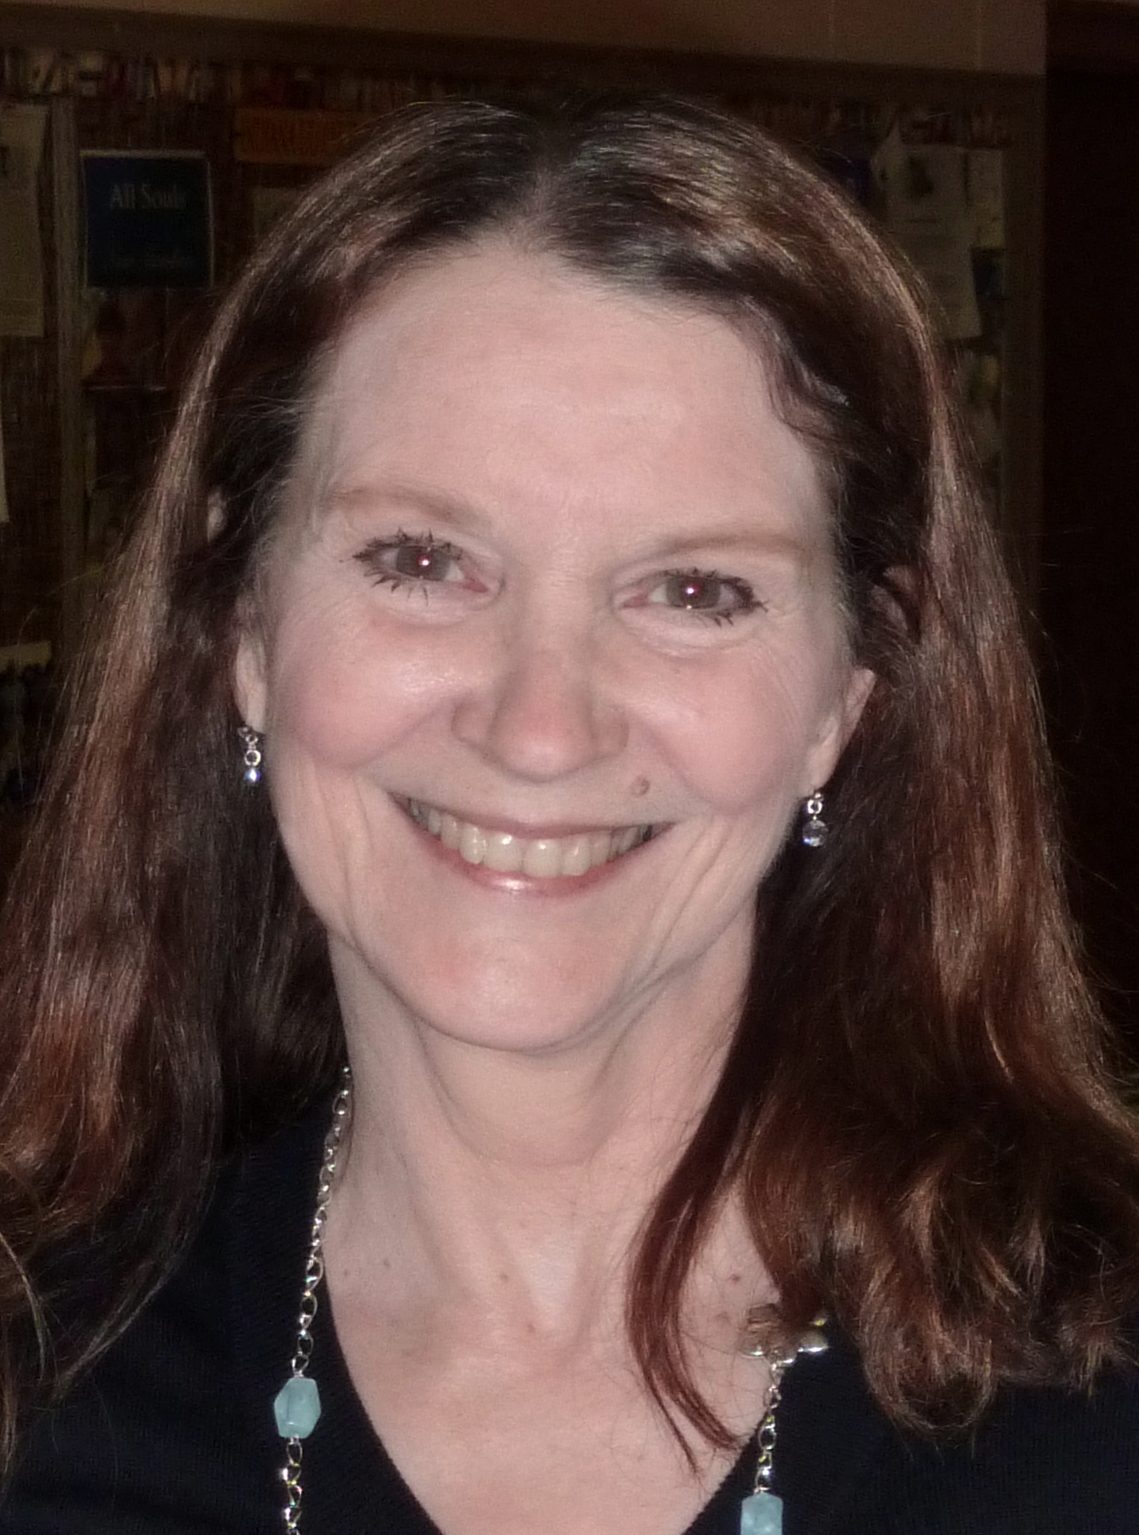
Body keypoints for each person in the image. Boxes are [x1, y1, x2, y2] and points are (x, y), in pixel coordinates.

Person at [0, 94, 1137, 1535]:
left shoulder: (1099, 1414)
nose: (540, 730)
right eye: (422, 560)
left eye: (693, 591)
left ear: (847, 698)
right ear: (246, 629)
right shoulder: (46, 1380)